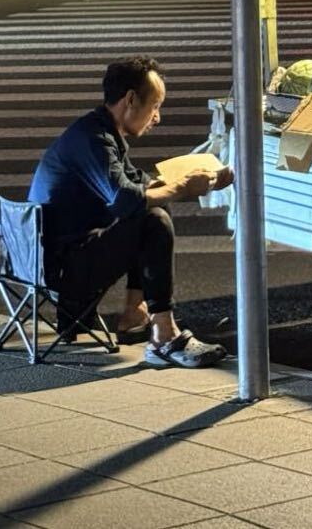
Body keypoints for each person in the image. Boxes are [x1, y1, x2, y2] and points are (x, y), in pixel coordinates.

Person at [28, 56, 234, 369]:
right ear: (131, 99)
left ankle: (134, 314)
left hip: (63, 258)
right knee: (154, 220)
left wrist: (191, 181)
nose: (158, 118)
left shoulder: (100, 132)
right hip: (62, 272)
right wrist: (183, 189)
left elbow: (139, 185)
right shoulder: (93, 139)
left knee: (153, 208)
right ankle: (164, 334)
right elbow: (126, 201)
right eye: (155, 106)